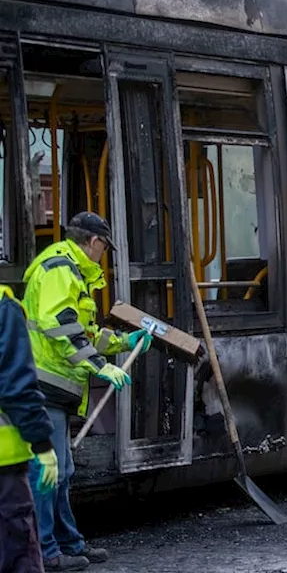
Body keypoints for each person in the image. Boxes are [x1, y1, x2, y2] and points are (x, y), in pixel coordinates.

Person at [25, 211, 149, 570]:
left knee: (60, 472)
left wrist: (124, 341)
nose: (103, 254)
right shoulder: (60, 270)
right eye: (105, 247)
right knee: (51, 472)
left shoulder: (70, 271)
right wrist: (100, 366)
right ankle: (47, 552)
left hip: (54, 389)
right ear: (94, 242)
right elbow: (60, 327)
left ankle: (68, 543)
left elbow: (85, 331)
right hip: (45, 386)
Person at [0, 276, 58, 573]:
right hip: (4, 468)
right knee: (17, 556)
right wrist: (43, 444)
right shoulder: (3, 304)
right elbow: (16, 386)